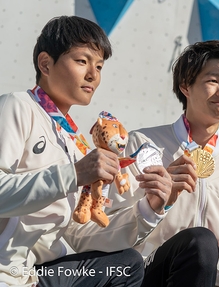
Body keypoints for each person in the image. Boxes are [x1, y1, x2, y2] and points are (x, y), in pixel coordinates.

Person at [65, 40, 219, 287]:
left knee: (204, 244)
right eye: (213, 81)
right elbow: (86, 234)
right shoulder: (142, 144)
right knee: (200, 241)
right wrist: (151, 207)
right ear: (186, 86)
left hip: (206, 280)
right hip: (145, 274)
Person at [0, 15, 172, 287]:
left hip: (36, 275)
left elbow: (81, 235)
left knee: (127, 265)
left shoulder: (74, 140)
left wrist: (148, 209)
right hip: (5, 272)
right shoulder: (17, 106)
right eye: (82, 61)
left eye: (100, 66)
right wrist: (73, 174)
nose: (93, 75)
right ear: (45, 63)